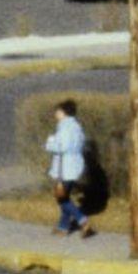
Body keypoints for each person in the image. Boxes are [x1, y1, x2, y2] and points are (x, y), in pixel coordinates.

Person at [43, 99, 94, 239]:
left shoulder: (65, 127)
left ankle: (83, 221)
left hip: (64, 168)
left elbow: (61, 147)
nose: (55, 114)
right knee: (65, 197)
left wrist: (50, 142)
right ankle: (63, 227)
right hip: (74, 166)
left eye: (58, 111)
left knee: (62, 199)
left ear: (64, 112)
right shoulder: (77, 127)